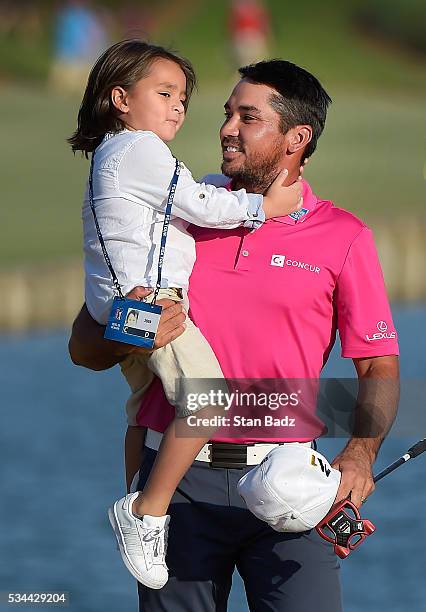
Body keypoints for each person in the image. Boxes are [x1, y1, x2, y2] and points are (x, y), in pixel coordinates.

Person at [69, 59, 400, 611]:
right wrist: (138, 327)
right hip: (175, 490)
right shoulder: (181, 207)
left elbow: (378, 365)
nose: (226, 128)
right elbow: (85, 345)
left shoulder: (344, 236)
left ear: (297, 138)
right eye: (227, 114)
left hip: (288, 486)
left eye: (248, 117)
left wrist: (360, 454)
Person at [68, 40, 303, 590]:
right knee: (208, 397)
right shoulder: (140, 150)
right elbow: (198, 202)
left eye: (183, 98)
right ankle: (146, 513)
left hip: (124, 302)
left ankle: (136, 495)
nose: (178, 107)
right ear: (120, 98)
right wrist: (261, 209)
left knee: (142, 405)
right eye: (165, 93)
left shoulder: (114, 152)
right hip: (150, 303)